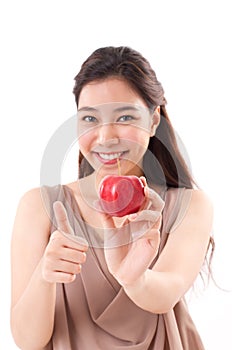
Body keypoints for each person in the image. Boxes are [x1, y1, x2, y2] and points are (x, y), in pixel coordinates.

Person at [10, 46, 214, 350]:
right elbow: (28, 341)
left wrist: (134, 278)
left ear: (154, 120)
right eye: (90, 119)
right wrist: (45, 275)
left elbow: (165, 294)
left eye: (125, 117)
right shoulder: (39, 207)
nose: (105, 137)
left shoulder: (188, 205)